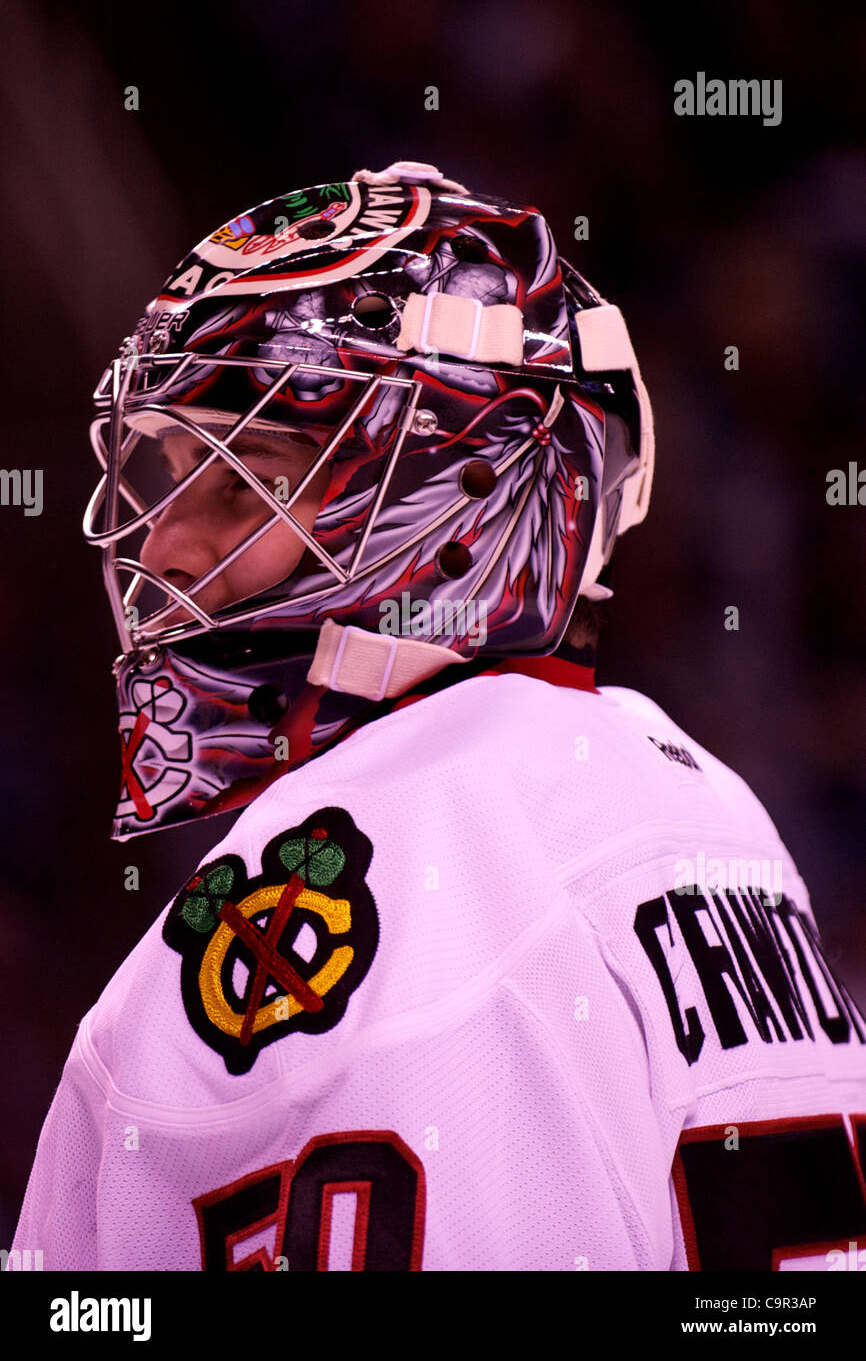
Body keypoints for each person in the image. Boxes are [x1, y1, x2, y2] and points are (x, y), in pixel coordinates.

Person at [9, 161, 866, 1271]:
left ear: (467, 492)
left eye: (240, 481)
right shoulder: (703, 805)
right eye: (166, 477)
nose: (164, 545)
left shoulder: (377, 873)